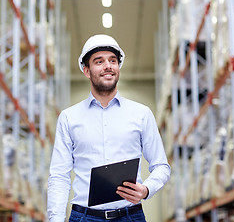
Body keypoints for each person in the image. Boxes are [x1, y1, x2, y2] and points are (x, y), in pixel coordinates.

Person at [47, 34, 171, 222]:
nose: (108, 66)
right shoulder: (69, 118)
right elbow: (59, 176)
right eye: (99, 61)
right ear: (86, 70)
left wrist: (146, 190)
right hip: (84, 217)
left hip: (130, 216)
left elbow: (161, 166)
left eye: (113, 60)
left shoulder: (141, 114)